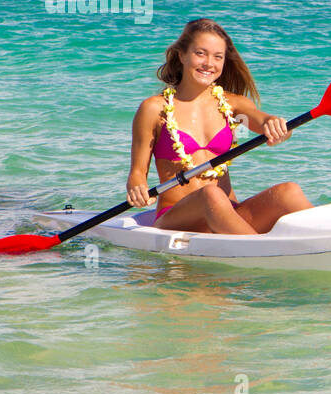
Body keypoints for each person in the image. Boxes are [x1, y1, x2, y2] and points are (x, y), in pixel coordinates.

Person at [126, 18, 312, 233]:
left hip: (228, 215)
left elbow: (263, 121)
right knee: (211, 194)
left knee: (289, 191)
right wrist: (137, 190)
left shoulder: (233, 104)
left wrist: (276, 126)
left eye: (218, 57)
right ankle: (257, 254)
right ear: (182, 55)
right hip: (176, 219)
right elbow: (137, 174)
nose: (209, 63)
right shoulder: (154, 108)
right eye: (200, 53)